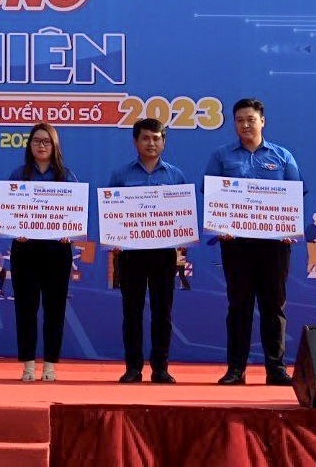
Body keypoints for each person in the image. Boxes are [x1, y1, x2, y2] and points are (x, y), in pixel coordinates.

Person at [205, 98, 302, 386]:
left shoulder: (283, 156)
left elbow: (295, 195)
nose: (245, 124)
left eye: (250, 119)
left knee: (274, 306)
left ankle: (276, 368)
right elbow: (212, 195)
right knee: (239, 306)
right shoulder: (221, 156)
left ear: (262, 121)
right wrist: (219, 225)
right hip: (236, 244)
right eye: (239, 120)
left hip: (275, 245)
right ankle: (236, 369)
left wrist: (290, 227)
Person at [107, 118, 188, 384]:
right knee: (131, 311)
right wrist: (114, 236)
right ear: (135, 141)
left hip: (164, 253)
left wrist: (182, 237)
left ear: (164, 142)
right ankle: (133, 368)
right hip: (131, 254)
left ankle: (160, 368)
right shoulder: (121, 175)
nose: (151, 143)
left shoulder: (175, 176)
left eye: (156, 138)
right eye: (145, 138)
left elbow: (183, 215)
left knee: (162, 312)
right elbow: (111, 214)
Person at [10, 122, 77, 382]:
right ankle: (28, 365)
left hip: (57, 250)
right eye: (36, 141)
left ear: (55, 146)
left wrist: (70, 230)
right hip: (25, 249)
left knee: (55, 309)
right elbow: (9, 211)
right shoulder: (19, 175)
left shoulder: (66, 176)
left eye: (46, 141)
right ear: (29, 145)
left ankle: (50, 365)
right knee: (26, 309)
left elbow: (76, 214)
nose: (41, 145)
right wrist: (15, 229)